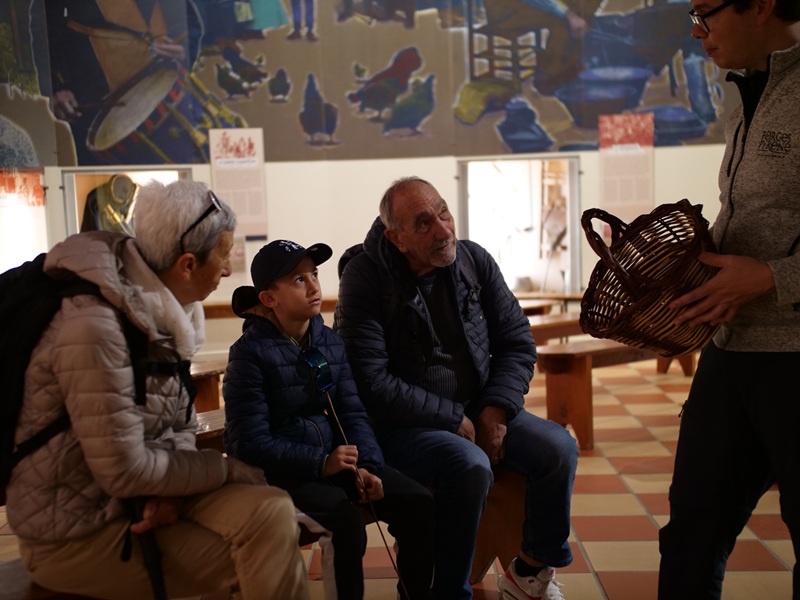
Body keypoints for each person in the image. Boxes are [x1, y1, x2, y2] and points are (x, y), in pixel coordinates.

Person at [5, 180, 309, 600]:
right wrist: (221, 469)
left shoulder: (166, 310)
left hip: (135, 495)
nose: (226, 269)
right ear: (186, 264)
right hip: (77, 530)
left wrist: (175, 492)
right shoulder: (95, 326)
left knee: (272, 507)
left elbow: (178, 422)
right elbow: (124, 469)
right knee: (265, 548)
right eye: (223, 255)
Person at [334, 176, 578, 600]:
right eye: (424, 223)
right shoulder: (365, 279)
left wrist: (496, 411)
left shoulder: (472, 261)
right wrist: (453, 419)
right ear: (397, 238)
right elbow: (369, 382)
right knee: (469, 465)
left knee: (558, 448)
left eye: (444, 213)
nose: (444, 230)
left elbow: (517, 342)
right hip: (402, 427)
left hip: (476, 408)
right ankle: (446, 592)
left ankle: (530, 571)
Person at [658, 1, 800, 598]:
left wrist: (772, 277)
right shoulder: (738, 88)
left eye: (705, 12)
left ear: (761, 4)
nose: (695, 31)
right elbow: (755, 215)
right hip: (731, 347)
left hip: (795, 357)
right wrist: (693, 265)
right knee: (690, 531)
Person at [223, 239, 436, 600]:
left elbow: (351, 411)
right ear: (269, 299)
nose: (314, 286)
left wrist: (367, 466)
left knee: (418, 503)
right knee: (347, 526)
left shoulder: (330, 342)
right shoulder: (249, 355)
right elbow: (249, 442)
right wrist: (321, 463)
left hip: (334, 464)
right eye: (297, 280)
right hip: (280, 474)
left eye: (315, 275)